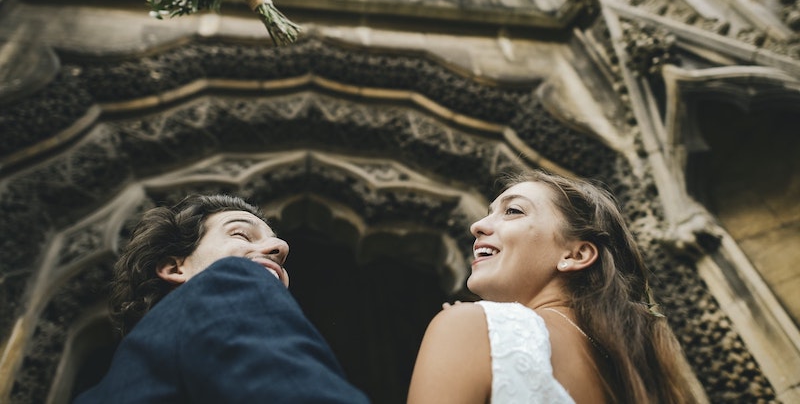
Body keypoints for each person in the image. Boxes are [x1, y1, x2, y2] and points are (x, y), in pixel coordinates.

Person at [407, 170, 699, 404]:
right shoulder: (636, 378)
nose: (477, 225)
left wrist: (471, 330)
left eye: (513, 211)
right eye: (490, 211)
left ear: (575, 255)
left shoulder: (468, 327)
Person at [74, 194, 369, 404]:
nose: (281, 247)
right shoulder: (233, 278)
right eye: (241, 234)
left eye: (274, 240)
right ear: (175, 267)